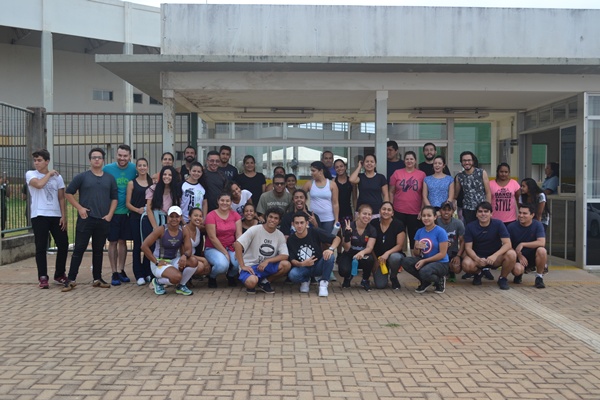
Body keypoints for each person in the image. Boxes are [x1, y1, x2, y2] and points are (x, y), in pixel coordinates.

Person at [61, 148, 117, 291]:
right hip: (86, 219)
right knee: (79, 249)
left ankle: (97, 278)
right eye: (94, 157)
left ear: (103, 160)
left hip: (103, 219)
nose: (96, 160)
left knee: (98, 250)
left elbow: (114, 198)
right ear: (90, 160)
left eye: (99, 157)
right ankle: (71, 279)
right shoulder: (82, 177)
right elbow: (68, 193)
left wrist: (110, 214)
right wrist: (79, 208)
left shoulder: (109, 178)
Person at [26, 149, 69, 289]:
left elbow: (61, 197)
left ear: (47, 161)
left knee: (63, 243)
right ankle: (43, 277)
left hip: (55, 215)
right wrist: (49, 173)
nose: (37, 163)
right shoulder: (31, 174)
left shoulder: (58, 178)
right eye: (35, 160)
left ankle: (59, 273)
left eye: (39, 160)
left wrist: (64, 215)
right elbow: (38, 185)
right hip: (39, 215)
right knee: (41, 246)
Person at [141, 206, 198, 296]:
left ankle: (181, 286)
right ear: (168, 218)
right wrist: (156, 262)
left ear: (180, 218)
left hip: (174, 259)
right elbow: (144, 246)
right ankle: (158, 282)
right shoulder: (161, 230)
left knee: (193, 261)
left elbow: (188, 249)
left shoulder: (183, 230)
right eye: (171, 216)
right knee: (177, 277)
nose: (174, 219)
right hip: (160, 262)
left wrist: (184, 256)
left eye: (177, 216)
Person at [461, 201, 517, 290]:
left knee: (511, 254)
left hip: (495, 258)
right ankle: (478, 273)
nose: (483, 214)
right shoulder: (470, 226)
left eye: (486, 211)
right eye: (480, 211)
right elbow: (468, 248)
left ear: (491, 214)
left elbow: (507, 244)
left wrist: (494, 256)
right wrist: (477, 259)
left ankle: (503, 278)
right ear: (476, 214)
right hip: (478, 257)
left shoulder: (498, 224)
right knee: (466, 264)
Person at [234, 207, 291, 294]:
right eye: (270, 217)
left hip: (265, 266)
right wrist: (242, 265)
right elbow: (237, 244)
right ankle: (254, 281)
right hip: (250, 265)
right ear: (266, 217)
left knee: (286, 265)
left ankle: (264, 282)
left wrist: (268, 260)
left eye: (276, 218)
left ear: (279, 221)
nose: (272, 220)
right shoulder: (255, 229)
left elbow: (285, 255)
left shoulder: (280, 235)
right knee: (252, 282)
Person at [103, 144, 137, 286]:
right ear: (116, 155)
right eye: (120, 155)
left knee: (123, 242)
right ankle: (114, 272)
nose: (122, 158)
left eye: (125, 156)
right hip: (113, 212)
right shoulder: (107, 169)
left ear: (129, 156)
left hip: (127, 212)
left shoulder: (134, 169)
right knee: (113, 242)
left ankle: (122, 270)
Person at [287, 212, 341, 296]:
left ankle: (323, 284)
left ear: (307, 223)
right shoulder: (291, 239)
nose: (299, 226)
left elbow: (337, 239)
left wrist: (330, 249)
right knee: (293, 274)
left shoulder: (315, 232)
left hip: (318, 265)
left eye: (302, 222)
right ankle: (305, 280)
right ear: (293, 224)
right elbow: (292, 260)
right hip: (303, 268)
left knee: (330, 257)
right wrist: (302, 263)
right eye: (297, 223)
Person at [401, 206, 450, 294]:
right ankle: (425, 281)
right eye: (424, 216)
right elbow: (416, 254)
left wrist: (424, 261)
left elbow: (442, 254)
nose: (426, 218)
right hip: (425, 261)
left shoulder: (440, 232)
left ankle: (439, 280)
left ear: (435, 217)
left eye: (429, 215)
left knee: (424, 271)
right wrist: (417, 247)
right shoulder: (419, 231)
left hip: (441, 263)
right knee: (405, 261)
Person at [204, 192, 242, 288]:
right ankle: (212, 277)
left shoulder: (235, 215)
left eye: (227, 201)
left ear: (231, 202)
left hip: (231, 246)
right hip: (213, 247)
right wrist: (225, 253)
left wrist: (238, 250)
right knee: (222, 265)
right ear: (218, 201)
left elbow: (238, 234)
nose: (225, 203)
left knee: (238, 263)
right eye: (222, 200)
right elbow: (212, 237)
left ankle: (231, 276)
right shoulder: (211, 215)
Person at [389, 151, 426, 249]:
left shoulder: (422, 175)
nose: (409, 161)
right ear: (404, 161)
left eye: (411, 159)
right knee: (397, 238)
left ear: (415, 161)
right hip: (398, 211)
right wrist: (391, 208)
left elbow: (424, 194)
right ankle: (396, 260)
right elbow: (391, 192)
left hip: (415, 212)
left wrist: (422, 210)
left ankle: (414, 260)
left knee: (414, 239)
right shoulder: (397, 173)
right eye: (407, 159)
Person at [125, 158, 153, 286]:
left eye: (144, 165)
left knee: (149, 245)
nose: (142, 167)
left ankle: (147, 271)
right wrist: (138, 210)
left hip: (148, 219)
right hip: (136, 218)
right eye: (140, 165)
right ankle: (138, 274)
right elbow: (127, 203)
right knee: (137, 246)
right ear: (136, 168)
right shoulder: (132, 183)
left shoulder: (152, 182)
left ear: (147, 167)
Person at [338, 204, 377, 291]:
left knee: (370, 259)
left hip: (362, 255)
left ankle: (365, 280)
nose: (366, 216)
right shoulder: (349, 226)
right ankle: (348, 277)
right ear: (358, 214)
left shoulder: (372, 229)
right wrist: (347, 235)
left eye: (369, 214)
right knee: (343, 270)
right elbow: (347, 248)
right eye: (364, 213)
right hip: (349, 254)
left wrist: (361, 253)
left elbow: (369, 248)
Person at [508, 204, 547, 289]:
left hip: (533, 255)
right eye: (520, 213)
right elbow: (508, 246)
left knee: (542, 250)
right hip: (518, 256)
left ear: (532, 215)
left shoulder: (538, 225)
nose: (521, 215)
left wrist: (523, 244)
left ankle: (539, 277)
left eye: (525, 213)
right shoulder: (511, 227)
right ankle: (519, 275)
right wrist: (519, 255)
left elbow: (542, 242)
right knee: (517, 270)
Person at [370, 201, 406, 290]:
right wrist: (375, 260)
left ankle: (393, 277)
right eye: (384, 209)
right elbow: (370, 245)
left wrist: (387, 253)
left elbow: (399, 245)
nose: (386, 212)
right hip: (379, 259)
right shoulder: (373, 223)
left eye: (389, 210)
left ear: (392, 213)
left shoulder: (398, 224)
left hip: (392, 255)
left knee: (395, 258)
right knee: (380, 285)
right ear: (379, 211)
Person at [454, 151, 491, 225]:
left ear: (473, 161)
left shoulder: (482, 172)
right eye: (464, 160)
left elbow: (488, 192)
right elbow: (455, 195)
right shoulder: (459, 176)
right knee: (469, 230)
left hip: (481, 208)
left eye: (469, 160)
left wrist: (488, 208)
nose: (467, 162)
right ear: (461, 162)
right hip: (467, 209)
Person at [144, 166, 182, 234]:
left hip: (168, 223)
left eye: (170, 175)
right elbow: (148, 209)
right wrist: (155, 228)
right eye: (164, 174)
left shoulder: (175, 191)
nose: (167, 177)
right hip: (152, 221)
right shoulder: (153, 189)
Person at [302, 161, 339, 233]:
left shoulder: (332, 184)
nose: (311, 173)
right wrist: (304, 209)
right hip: (313, 218)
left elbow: (335, 203)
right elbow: (300, 196)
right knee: (314, 240)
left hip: (328, 218)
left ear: (321, 171)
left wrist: (336, 219)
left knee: (327, 241)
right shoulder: (309, 183)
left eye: (313, 171)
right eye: (311, 171)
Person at [349, 154, 388, 218]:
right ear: (363, 164)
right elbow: (351, 179)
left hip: (376, 211)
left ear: (375, 164)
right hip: (361, 211)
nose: (369, 163)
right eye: (367, 161)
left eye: (372, 162)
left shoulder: (381, 177)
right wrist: (359, 167)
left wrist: (385, 209)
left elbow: (385, 195)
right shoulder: (360, 177)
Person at [436, 201, 465, 283]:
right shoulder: (435, 222)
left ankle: (451, 272)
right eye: (444, 209)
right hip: (438, 251)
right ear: (440, 211)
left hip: (452, 252)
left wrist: (458, 256)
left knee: (456, 267)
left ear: (453, 211)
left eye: (449, 210)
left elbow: (462, 241)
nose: (446, 212)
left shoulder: (458, 223)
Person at [183, 207, 212, 276]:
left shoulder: (198, 229)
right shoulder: (183, 230)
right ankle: (183, 279)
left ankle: (189, 277)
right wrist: (203, 259)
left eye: (200, 216)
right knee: (201, 266)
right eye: (195, 216)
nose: (198, 218)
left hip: (193, 256)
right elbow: (183, 253)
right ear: (189, 217)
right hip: (183, 257)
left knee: (208, 268)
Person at [333, 158, 355, 223]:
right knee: (336, 232)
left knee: (348, 232)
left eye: (341, 166)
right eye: (337, 167)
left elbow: (354, 198)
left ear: (345, 167)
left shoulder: (351, 181)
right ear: (334, 169)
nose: (339, 168)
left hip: (348, 211)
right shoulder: (333, 182)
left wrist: (356, 212)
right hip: (335, 213)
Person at [0, 173, 9, 237]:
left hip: (3, 207)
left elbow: (8, 195)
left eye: (2, 178)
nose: (2, 180)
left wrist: (7, 185)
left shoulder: (3, 186)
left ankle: (2, 234)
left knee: (3, 221)